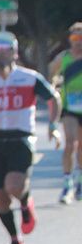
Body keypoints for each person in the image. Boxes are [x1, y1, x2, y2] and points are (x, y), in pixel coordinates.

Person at [0, 31, 60, 244]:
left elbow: (53, 98)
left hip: (21, 139)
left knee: (14, 186)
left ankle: (26, 203)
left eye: (6, 50)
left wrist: (52, 125)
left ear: (14, 53)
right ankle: (14, 240)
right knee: (1, 197)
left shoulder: (30, 78)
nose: (1, 55)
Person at [46, 23, 82, 203]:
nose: (78, 42)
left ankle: (80, 181)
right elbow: (51, 73)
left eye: (81, 38)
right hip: (70, 107)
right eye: (75, 38)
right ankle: (67, 183)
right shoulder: (64, 57)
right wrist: (53, 92)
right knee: (70, 144)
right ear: (70, 39)